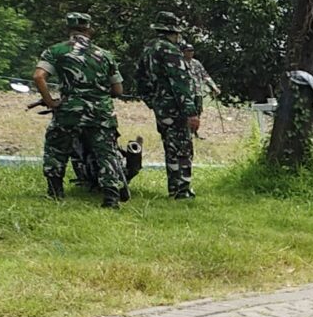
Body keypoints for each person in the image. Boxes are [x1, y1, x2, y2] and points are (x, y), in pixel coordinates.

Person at [35, 11, 126, 208]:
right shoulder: (105, 55)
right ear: (89, 29)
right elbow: (118, 90)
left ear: (68, 28)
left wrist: (50, 101)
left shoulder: (55, 51)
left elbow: (39, 76)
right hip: (100, 113)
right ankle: (111, 198)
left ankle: (55, 193)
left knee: (56, 149)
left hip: (69, 111)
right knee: (106, 154)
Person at [139, 12, 203, 201]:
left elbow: (140, 79)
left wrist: (152, 101)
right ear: (174, 32)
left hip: (161, 107)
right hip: (176, 107)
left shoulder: (149, 49)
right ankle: (181, 190)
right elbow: (179, 82)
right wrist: (191, 112)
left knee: (170, 146)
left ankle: (174, 187)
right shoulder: (170, 50)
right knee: (182, 148)